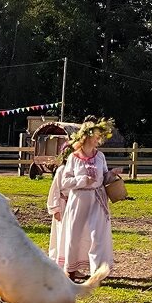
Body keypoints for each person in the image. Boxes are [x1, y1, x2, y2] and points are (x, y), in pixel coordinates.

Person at [57, 117, 123, 280]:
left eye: (99, 137)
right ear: (86, 136)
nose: (98, 140)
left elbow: (104, 177)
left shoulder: (100, 156)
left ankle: (98, 271)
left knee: (97, 235)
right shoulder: (73, 157)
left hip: (97, 199)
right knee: (75, 234)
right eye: (96, 136)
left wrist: (112, 174)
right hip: (79, 200)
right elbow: (64, 182)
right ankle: (71, 269)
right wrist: (82, 180)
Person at [46, 145, 71, 263]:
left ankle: (71, 261)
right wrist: (55, 209)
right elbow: (55, 190)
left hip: (74, 205)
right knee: (62, 233)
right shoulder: (62, 170)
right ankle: (60, 260)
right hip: (63, 205)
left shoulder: (78, 170)